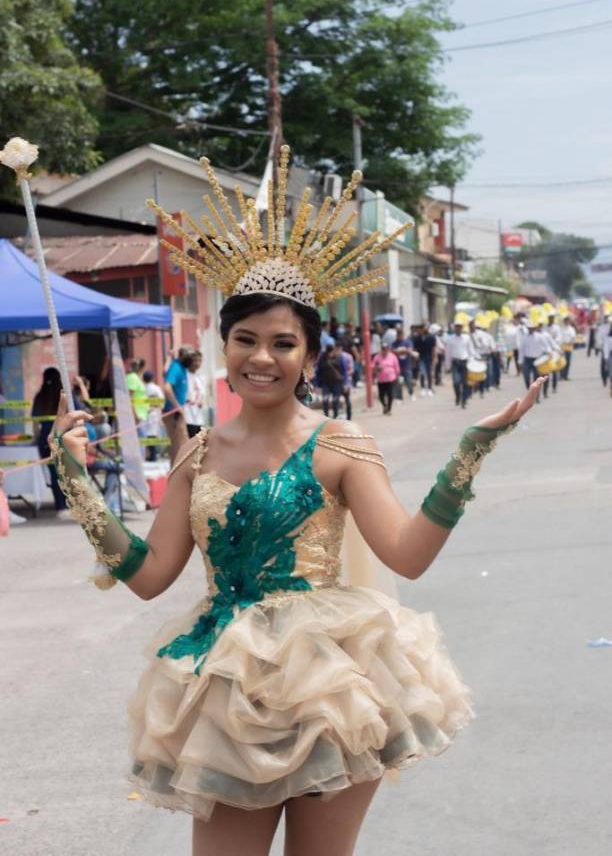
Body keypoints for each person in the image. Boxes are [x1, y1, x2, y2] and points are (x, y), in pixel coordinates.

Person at [49, 147, 545, 856]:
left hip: (331, 685)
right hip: (224, 687)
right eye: (246, 339)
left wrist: (467, 455)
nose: (262, 357)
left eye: (284, 343)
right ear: (224, 346)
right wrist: (77, 482)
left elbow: (407, 553)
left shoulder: (341, 443)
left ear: (309, 356)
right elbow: (151, 576)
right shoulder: (197, 453)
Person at [31, 367, 69, 519]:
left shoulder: (39, 396)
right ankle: (68, 504)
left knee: (54, 473)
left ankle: (60, 506)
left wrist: (36, 438)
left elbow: (35, 422)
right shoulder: (64, 396)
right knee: (66, 472)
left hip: (45, 439)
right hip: (63, 437)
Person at [163, 346, 194, 464]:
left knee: (179, 446)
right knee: (182, 446)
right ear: (181, 356)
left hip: (177, 412)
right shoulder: (176, 367)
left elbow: (164, 372)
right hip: (173, 414)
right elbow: (167, 388)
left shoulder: (180, 367)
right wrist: (177, 406)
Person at [444, 321, 475, 408]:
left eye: (460, 327)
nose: (458, 328)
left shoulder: (466, 338)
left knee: (465, 383)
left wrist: (473, 360)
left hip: (464, 362)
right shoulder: (450, 339)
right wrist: (447, 366)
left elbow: (471, 350)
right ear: (454, 328)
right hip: (455, 363)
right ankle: (458, 396)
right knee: (456, 382)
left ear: (462, 328)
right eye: (457, 327)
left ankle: (464, 401)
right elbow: (448, 353)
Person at [315, 344, 345, 418]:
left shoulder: (338, 357)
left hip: (336, 382)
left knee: (335, 401)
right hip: (326, 383)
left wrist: (345, 382)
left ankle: (335, 415)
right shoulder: (322, 358)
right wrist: (317, 384)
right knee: (325, 400)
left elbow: (343, 370)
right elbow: (318, 371)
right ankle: (326, 416)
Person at [518, 321, 548, 391]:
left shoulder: (540, 336)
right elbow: (521, 350)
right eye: (529, 328)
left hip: (537, 359)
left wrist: (547, 354)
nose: (530, 329)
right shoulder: (524, 337)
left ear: (534, 328)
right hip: (527, 359)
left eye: (532, 328)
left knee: (536, 378)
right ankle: (529, 390)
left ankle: (536, 394)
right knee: (526, 376)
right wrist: (520, 361)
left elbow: (546, 347)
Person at [372, 341, 400, 415]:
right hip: (381, 379)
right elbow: (372, 366)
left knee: (390, 394)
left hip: (390, 378)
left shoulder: (392, 356)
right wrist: (376, 368)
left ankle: (389, 409)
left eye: (386, 349)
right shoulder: (377, 357)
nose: (384, 350)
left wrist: (397, 376)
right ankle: (385, 406)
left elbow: (396, 367)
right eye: (383, 349)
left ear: (388, 349)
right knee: (381, 396)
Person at [392, 325, 419, 401]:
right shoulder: (395, 343)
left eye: (401, 334)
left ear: (403, 334)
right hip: (398, 367)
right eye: (398, 335)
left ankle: (411, 394)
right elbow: (393, 351)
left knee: (408, 382)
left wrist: (400, 351)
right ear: (397, 335)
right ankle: (399, 397)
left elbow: (409, 350)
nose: (400, 336)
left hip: (407, 366)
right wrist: (403, 351)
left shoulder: (408, 342)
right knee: (399, 383)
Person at [142, 371, 164, 461]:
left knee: (147, 434)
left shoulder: (143, 388)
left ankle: (151, 455)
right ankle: (153, 455)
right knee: (152, 434)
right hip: (154, 412)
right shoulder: (156, 388)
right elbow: (161, 400)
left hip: (145, 413)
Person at [184, 351, 207, 439]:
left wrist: (202, 401)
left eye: (199, 361)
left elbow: (202, 393)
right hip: (187, 414)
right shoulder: (185, 375)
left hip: (198, 415)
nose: (197, 363)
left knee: (199, 441)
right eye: (195, 360)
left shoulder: (200, 377)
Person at [412, 323, 436, 396]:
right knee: (422, 373)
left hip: (429, 357)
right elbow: (414, 348)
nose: (419, 331)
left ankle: (429, 388)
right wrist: (414, 358)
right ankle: (422, 388)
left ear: (423, 329)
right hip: (420, 357)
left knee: (429, 373)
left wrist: (434, 358)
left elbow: (433, 348)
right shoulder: (417, 338)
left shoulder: (431, 337)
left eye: (420, 329)